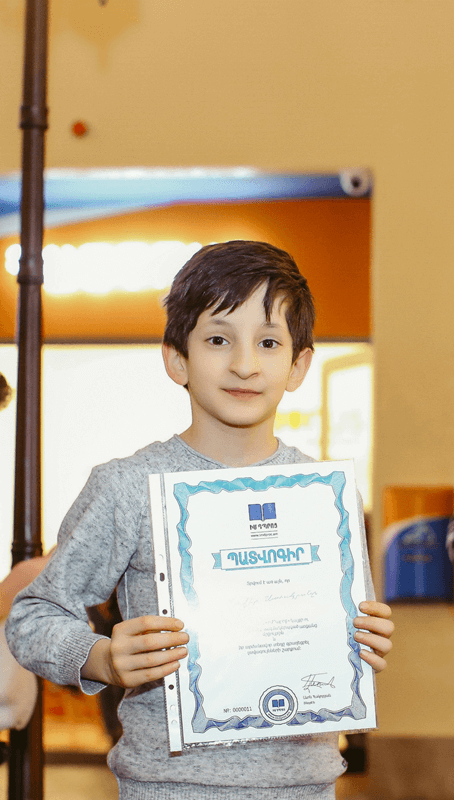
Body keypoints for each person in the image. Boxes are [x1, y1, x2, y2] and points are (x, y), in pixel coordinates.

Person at [6, 241, 393, 800]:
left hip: (306, 788)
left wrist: (363, 642)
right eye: (218, 339)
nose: (244, 364)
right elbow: (31, 617)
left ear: (299, 365)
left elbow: (338, 644)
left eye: (268, 342)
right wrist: (101, 658)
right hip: (169, 788)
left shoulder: (325, 497)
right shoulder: (127, 487)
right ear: (176, 359)